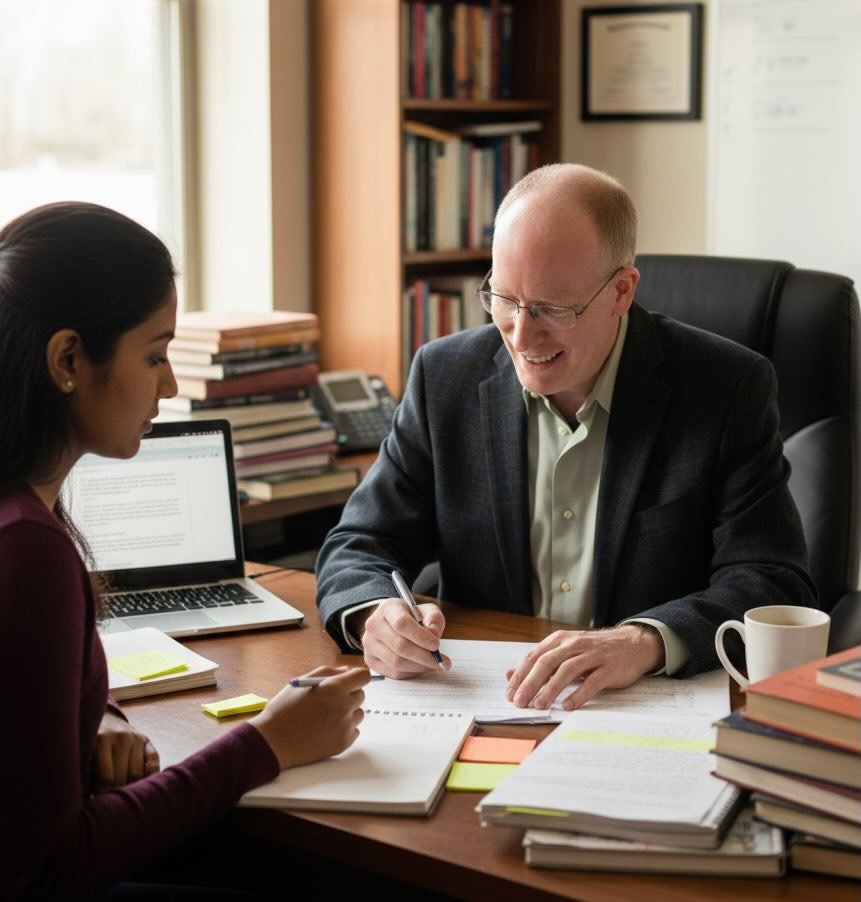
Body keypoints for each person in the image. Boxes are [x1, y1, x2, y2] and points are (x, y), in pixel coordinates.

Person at [315, 163, 817, 711]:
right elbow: (357, 544)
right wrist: (374, 615)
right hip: (483, 704)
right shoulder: (445, 377)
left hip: (642, 708)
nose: (522, 335)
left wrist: (644, 640)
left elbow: (772, 581)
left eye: (554, 308)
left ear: (621, 291)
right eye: (504, 298)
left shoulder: (725, 388)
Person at [0, 202, 371, 902]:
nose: (169, 385)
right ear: (68, 359)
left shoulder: (21, 514)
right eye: (153, 354)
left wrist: (94, 717)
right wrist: (266, 745)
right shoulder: (28, 550)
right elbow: (50, 868)